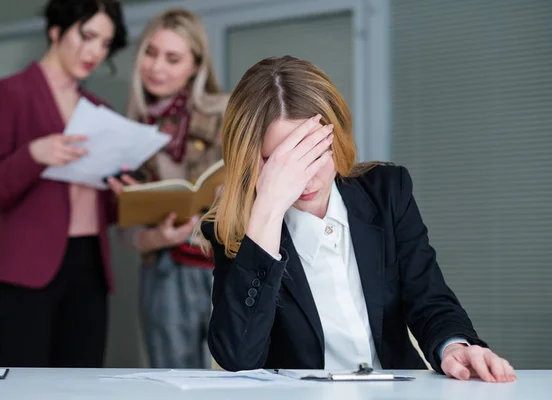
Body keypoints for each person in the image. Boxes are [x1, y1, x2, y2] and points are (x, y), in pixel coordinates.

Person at [199, 56, 516, 382]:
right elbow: (238, 358)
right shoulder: (236, 228)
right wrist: (266, 211)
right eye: (282, 163)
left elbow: (431, 300)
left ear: (337, 137)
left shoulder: (387, 192)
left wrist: (453, 347)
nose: (305, 180)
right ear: (249, 160)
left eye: (315, 154)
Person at [0, 0, 129, 368]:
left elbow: (101, 209)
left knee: (82, 388)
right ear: (56, 29)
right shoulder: (9, 93)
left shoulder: (98, 108)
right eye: (88, 36)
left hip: (89, 266)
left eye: (105, 44)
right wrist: (34, 154)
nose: (95, 52)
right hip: (26, 270)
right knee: (25, 388)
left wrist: (122, 194)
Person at [119, 9, 229, 368]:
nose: (156, 67)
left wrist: (229, 199)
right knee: (172, 381)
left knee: (236, 378)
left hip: (225, 265)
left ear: (196, 65)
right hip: (165, 268)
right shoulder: (128, 128)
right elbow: (127, 229)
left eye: (173, 58)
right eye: (150, 53)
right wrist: (157, 238)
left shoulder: (225, 114)